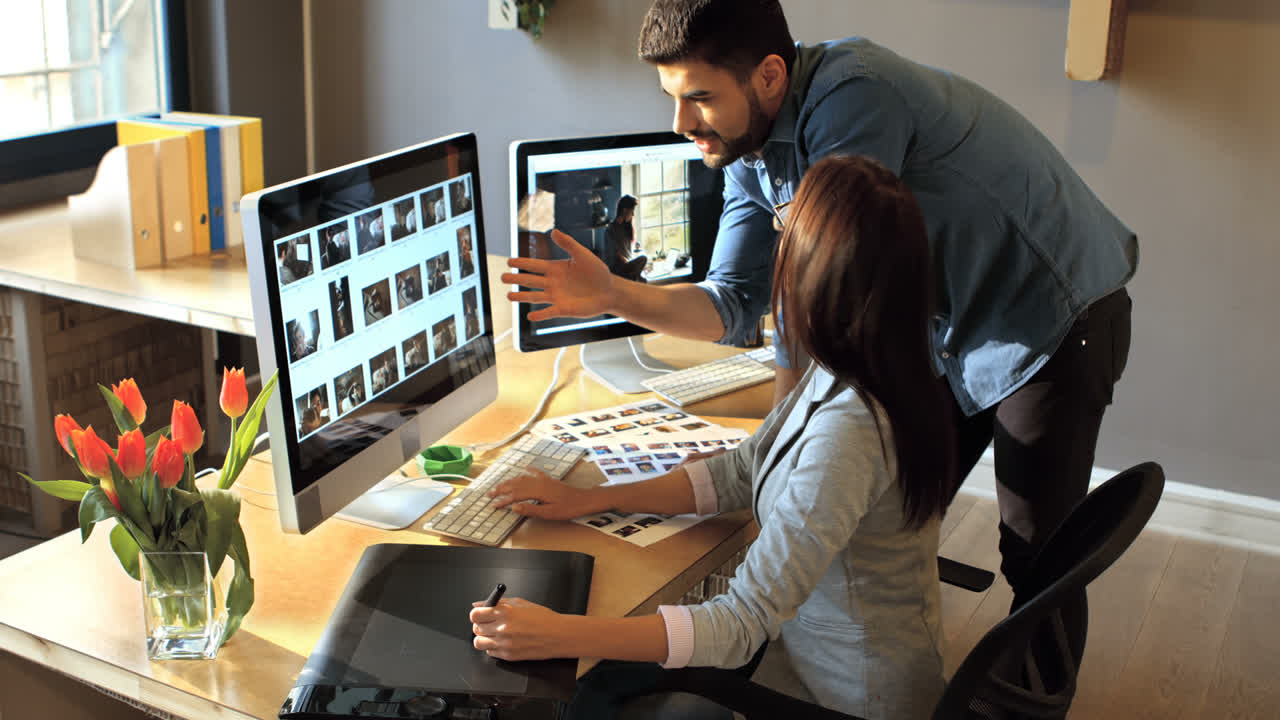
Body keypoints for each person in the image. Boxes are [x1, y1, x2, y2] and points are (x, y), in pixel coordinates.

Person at [502, 0, 1136, 662]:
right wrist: (612, 294)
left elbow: (831, 279)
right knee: (883, 514)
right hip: (946, 324)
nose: (681, 123)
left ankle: (1019, 705)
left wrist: (785, 442)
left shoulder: (854, 97)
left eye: (700, 98)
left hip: (1050, 309)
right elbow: (736, 304)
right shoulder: (746, 147)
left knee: (1035, 554)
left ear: (770, 77)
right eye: (673, 97)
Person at [475, 156, 955, 719]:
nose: (774, 244)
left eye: (784, 237)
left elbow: (739, 623)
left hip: (843, 700)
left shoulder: (850, 434)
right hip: (815, 661)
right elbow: (744, 468)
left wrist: (564, 635)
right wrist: (591, 499)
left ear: (816, 280)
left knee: (590, 688)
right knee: (606, 678)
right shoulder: (867, 361)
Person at [602, 195, 647, 282]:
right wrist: (631, 265)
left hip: (627, 266)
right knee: (643, 259)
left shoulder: (626, 228)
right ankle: (634, 277)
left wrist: (634, 266)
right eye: (632, 211)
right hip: (617, 269)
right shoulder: (611, 229)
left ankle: (635, 277)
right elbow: (616, 255)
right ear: (625, 210)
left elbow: (627, 253)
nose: (633, 214)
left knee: (643, 277)